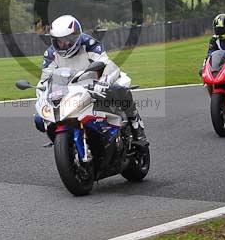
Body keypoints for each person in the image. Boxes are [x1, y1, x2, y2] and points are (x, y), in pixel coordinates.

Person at [37, 14, 148, 145]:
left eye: (67, 40)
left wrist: (104, 81)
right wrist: (42, 94)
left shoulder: (89, 44)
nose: (63, 44)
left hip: (95, 83)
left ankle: (136, 125)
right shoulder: (51, 54)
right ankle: (63, 141)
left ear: (76, 36)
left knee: (120, 89)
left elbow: (106, 64)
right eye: (59, 41)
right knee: (40, 118)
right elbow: (45, 79)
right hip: (70, 90)